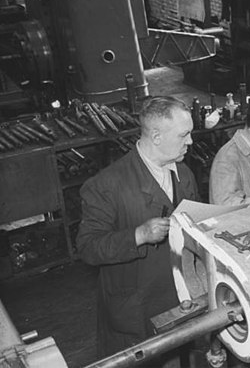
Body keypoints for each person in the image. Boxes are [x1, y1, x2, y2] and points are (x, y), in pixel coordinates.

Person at [76, 96, 198, 361]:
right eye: (184, 135)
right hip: (136, 309)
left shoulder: (184, 173)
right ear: (156, 136)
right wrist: (138, 235)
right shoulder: (107, 185)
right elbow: (88, 247)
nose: (190, 142)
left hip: (180, 298)